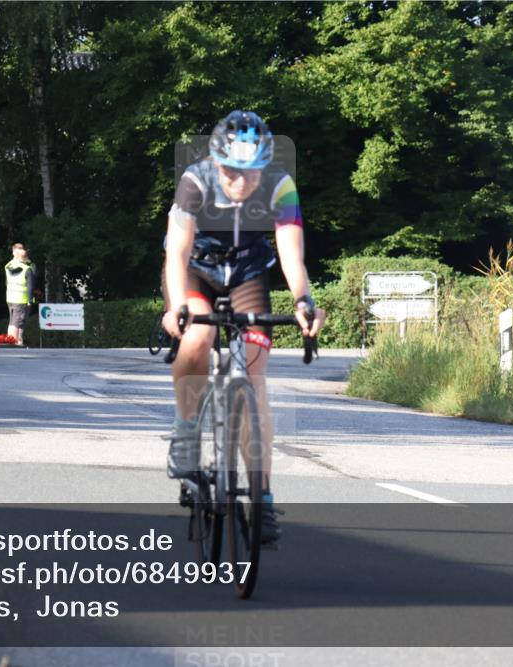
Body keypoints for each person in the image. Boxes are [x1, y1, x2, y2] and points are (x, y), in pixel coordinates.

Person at [161, 110, 326, 544]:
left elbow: (291, 255)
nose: (240, 181)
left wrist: (303, 301)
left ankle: (262, 494)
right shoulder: (195, 181)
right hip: (197, 270)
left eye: (250, 172)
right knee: (199, 336)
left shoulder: (280, 187)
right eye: (231, 171)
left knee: (254, 379)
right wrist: (178, 304)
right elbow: (176, 253)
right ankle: (184, 429)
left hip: (248, 272)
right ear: (217, 163)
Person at [5, 243, 36, 346]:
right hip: (22, 300)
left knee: (12, 322)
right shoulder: (28, 269)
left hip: (10, 298)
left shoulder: (8, 266)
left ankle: (12, 341)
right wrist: (30, 300)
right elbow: (30, 287)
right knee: (18, 323)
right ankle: (15, 343)